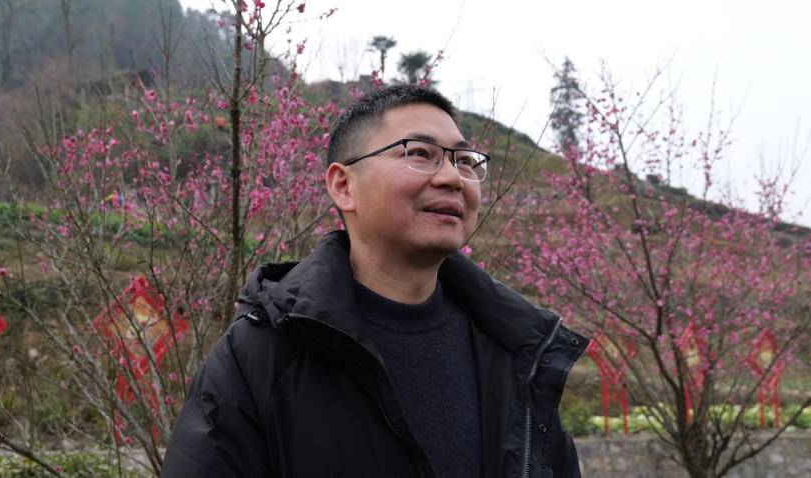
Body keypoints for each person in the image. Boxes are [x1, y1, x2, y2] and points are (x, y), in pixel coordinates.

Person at [161, 84, 589, 477]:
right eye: (419, 153)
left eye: (464, 161)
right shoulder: (261, 355)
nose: (452, 178)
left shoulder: (516, 351)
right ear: (344, 186)